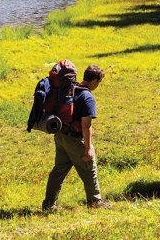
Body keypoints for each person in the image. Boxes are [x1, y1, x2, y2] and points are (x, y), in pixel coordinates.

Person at [42, 64, 108, 211]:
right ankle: (95, 202)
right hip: (75, 139)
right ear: (95, 81)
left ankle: (49, 204)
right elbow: (86, 125)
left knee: (58, 171)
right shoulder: (87, 97)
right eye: (99, 81)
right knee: (89, 169)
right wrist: (88, 147)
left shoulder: (69, 89)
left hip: (60, 136)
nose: (98, 85)